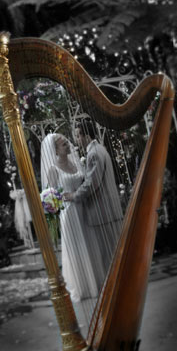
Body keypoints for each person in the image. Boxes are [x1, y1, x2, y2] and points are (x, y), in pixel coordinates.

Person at [63, 120, 123, 286]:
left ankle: (116, 287)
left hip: (102, 211)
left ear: (87, 136)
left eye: (78, 135)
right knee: (114, 253)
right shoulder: (100, 149)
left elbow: (92, 183)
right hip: (109, 211)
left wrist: (74, 195)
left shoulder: (94, 153)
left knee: (109, 255)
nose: (76, 140)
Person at [41, 133, 99, 302]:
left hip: (85, 209)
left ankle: (95, 281)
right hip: (69, 215)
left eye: (67, 142)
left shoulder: (76, 163)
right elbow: (49, 196)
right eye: (63, 144)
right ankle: (82, 286)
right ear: (56, 150)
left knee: (89, 243)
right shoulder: (53, 169)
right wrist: (66, 197)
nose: (68, 145)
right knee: (77, 249)